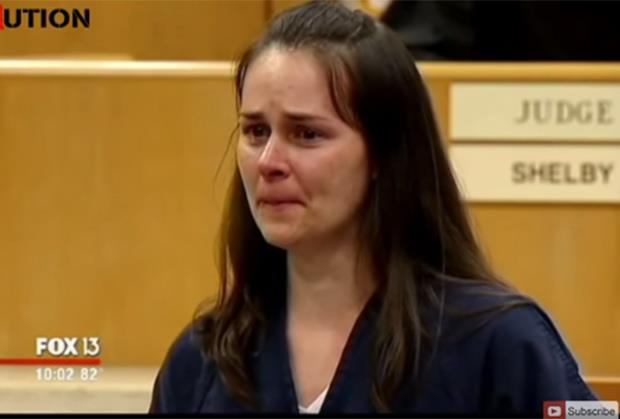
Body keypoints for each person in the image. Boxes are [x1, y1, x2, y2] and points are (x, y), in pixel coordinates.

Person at [149, 1, 597, 415]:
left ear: (384, 153)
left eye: (307, 134)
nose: (269, 162)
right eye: (255, 132)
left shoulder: (501, 341)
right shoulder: (202, 360)